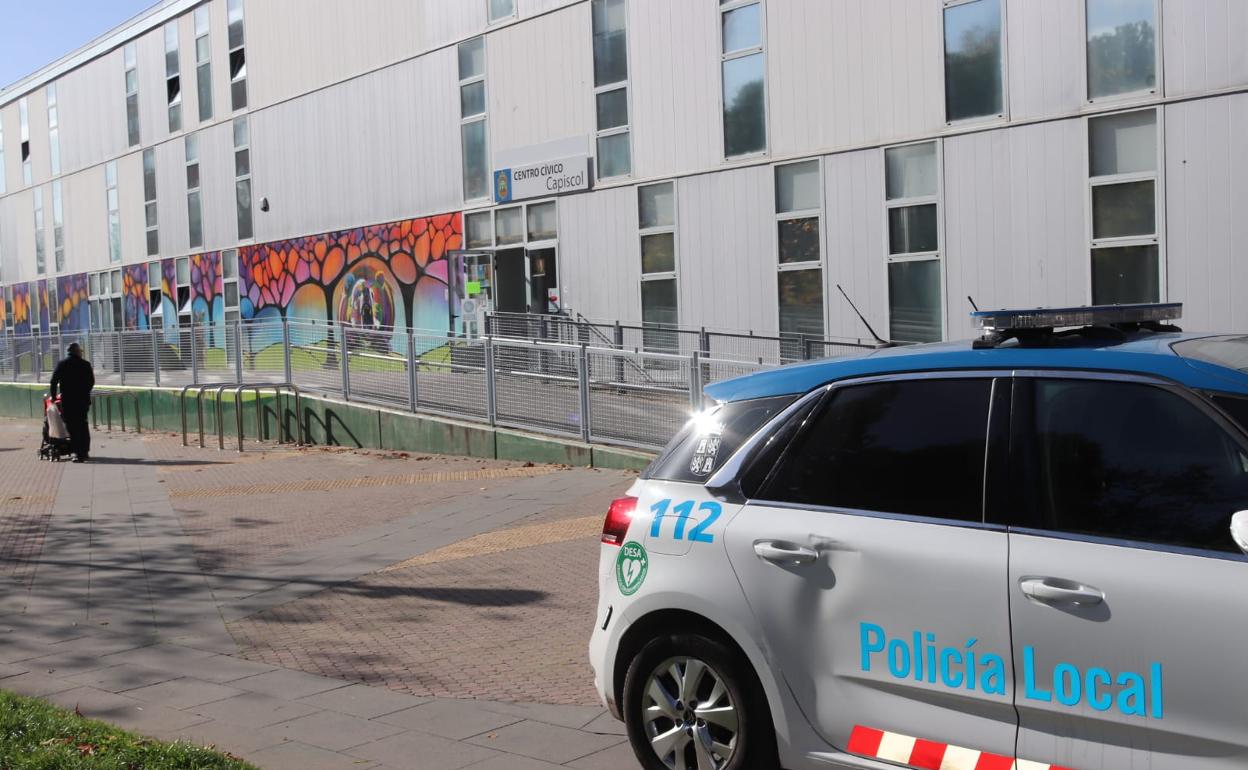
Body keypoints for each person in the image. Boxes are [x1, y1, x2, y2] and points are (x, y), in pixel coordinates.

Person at [50, 342, 94, 463]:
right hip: (82, 400)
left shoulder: (62, 364)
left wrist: (54, 397)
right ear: (77, 352)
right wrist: (85, 393)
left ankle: (76, 452)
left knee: (72, 426)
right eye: (80, 351)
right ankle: (84, 451)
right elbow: (91, 382)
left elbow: (53, 381)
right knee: (83, 424)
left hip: (68, 400)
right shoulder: (85, 364)